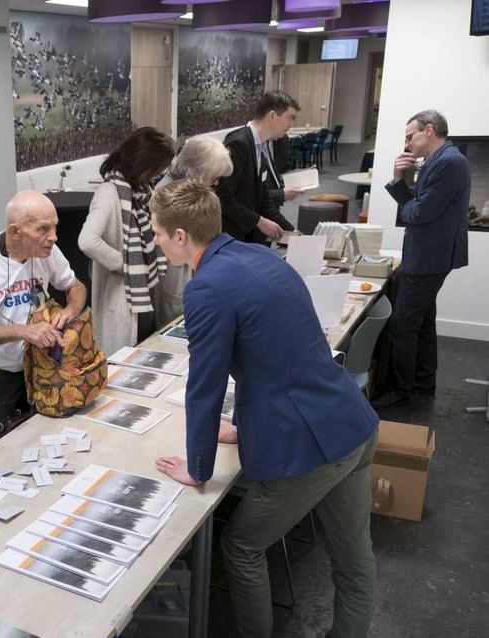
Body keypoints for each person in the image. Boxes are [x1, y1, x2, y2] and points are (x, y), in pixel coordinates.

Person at [149, 181, 379, 638]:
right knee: (353, 559)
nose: (155, 240)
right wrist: (240, 427)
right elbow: (278, 351)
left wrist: (198, 468)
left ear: (180, 236)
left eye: (157, 232)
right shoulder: (260, 257)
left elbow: (205, 386)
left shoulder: (206, 287)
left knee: (240, 547)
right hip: (351, 420)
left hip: (308, 446)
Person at [0, 190, 86, 446]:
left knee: (45, 437)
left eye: (54, 227)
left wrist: (69, 311)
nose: (53, 237)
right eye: (43, 229)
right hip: (0, 373)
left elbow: (76, 286)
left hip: (44, 366)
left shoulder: (47, 251)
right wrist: (24, 331)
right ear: (16, 232)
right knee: (2, 444)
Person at [373, 109, 470, 409]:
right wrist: (403, 183)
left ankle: (400, 390)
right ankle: (423, 380)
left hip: (429, 256)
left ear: (428, 131)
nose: (407, 143)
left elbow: (417, 213)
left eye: (409, 136)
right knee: (424, 320)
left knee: (403, 324)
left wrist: (399, 180)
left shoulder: (449, 163)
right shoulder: (440, 160)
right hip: (431, 254)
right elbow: (417, 205)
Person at [77, 126, 175, 355]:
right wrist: (124, 264)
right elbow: (87, 240)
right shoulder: (110, 193)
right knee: (123, 362)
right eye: (157, 168)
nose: (158, 174)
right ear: (143, 163)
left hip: (145, 287)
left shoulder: (142, 191)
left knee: (145, 353)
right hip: (123, 293)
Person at [152, 135, 234, 326]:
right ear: (197, 171)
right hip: (173, 273)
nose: (214, 184)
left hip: (191, 268)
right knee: (175, 317)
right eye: (213, 178)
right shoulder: (164, 193)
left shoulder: (193, 192)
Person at [217, 90, 302, 243]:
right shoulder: (238, 144)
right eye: (289, 118)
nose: (291, 125)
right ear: (272, 116)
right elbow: (223, 198)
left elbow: (263, 200)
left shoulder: (261, 145)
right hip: (233, 237)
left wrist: (295, 233)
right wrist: (259, 221)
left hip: (250, 237)